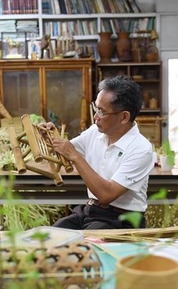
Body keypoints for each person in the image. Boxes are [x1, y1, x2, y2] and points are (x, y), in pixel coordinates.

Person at [48, 75, 154, 230]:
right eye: (95, 109)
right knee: (54, 235)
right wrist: (51, 136)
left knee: (85, 245)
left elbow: (106, 195)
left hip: (121, 220)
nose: (96, 117)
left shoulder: (141, 149)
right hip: (89, 211)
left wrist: (75, 156)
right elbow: (66, 150)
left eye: (102, 112)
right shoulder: (95, 132)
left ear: (124, 117)